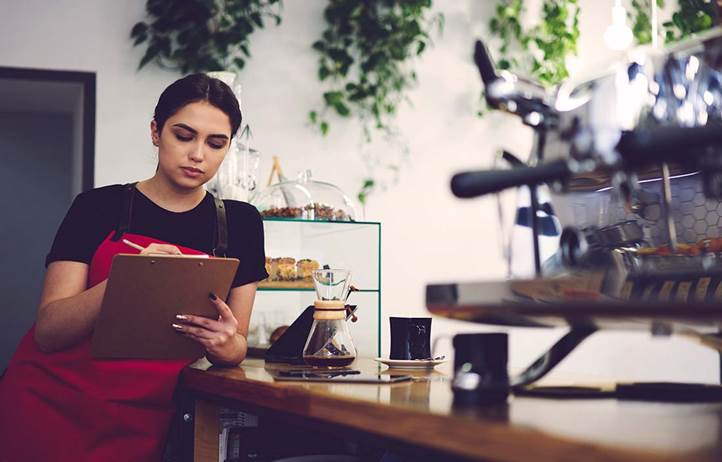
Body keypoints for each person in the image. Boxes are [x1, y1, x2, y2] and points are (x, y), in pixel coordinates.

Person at [0, 74, 268, 461]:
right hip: (48, 405)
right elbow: (49, 331)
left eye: (215, 143)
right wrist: (127, 280)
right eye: (183, 135)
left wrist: (227, 345)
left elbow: (235, 343)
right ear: (156, 132)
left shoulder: (241, 224)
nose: (198, 155)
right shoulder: (96, 207)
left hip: (139, 419)